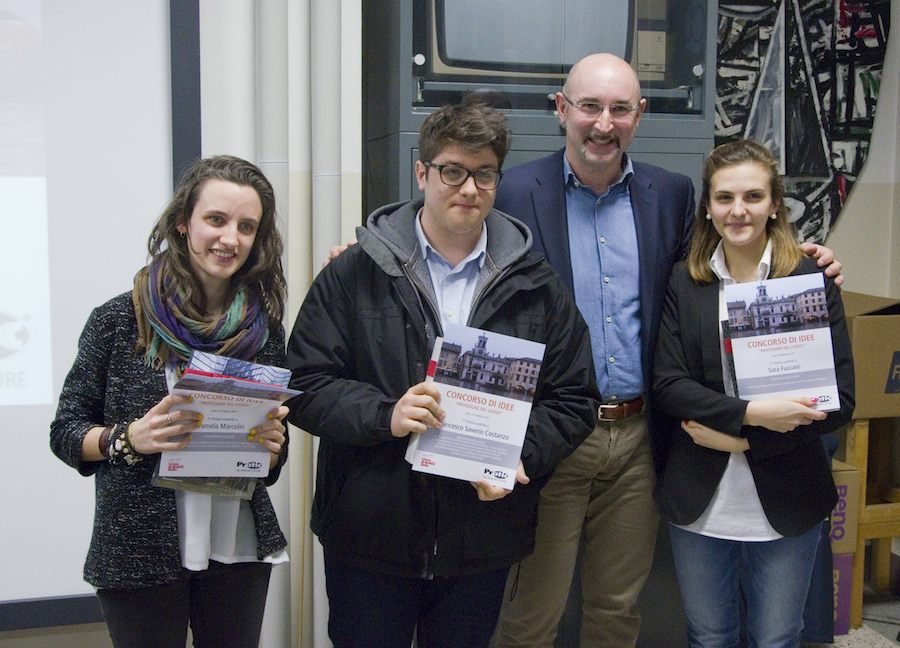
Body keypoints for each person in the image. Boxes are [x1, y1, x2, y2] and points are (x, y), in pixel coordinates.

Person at [491, 53, 844, 647]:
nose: (604, 123)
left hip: (639, 437)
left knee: (616, 610)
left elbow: (725, 262)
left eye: (620, 109)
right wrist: (369, 244)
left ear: (640, 114)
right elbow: (445, 233)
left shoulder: (672, 194)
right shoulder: (514, 191)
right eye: (590, 107)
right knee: (531, 615)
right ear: (562, 110)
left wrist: (806, 259)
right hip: (553, 434)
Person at [286, 101, 601, 647]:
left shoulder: (537, 284)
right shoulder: (353, 273)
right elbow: (306, 385)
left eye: (484, 174)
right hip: (371, 533)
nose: (469, 189)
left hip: (480, 538)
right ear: (422, 172)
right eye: (452, 171)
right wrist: (387, 415)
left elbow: (574, 399)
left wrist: (516, 454)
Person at [50, 155, 290, 648]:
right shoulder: (118, 320)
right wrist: (127, 438)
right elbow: (65, 431)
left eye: (247, 226)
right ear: (184, 223)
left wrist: (271, 448)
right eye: (216, 220)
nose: (231, 238)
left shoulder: (263, 329)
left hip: (236, 547)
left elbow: (267, 462)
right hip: (139, 550)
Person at [651, 138, 855, 647]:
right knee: (709, 633)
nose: (737, 210)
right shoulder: (686, 281)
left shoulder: (809, 279)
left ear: (774, 205)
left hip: (789, 493)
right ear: (707, 206)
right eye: (724, 198)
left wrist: (743, 439)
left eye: (752, 197)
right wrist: (750, 412)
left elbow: (841, 401)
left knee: (777, 636)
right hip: (701, 499)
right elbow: (670, 386)